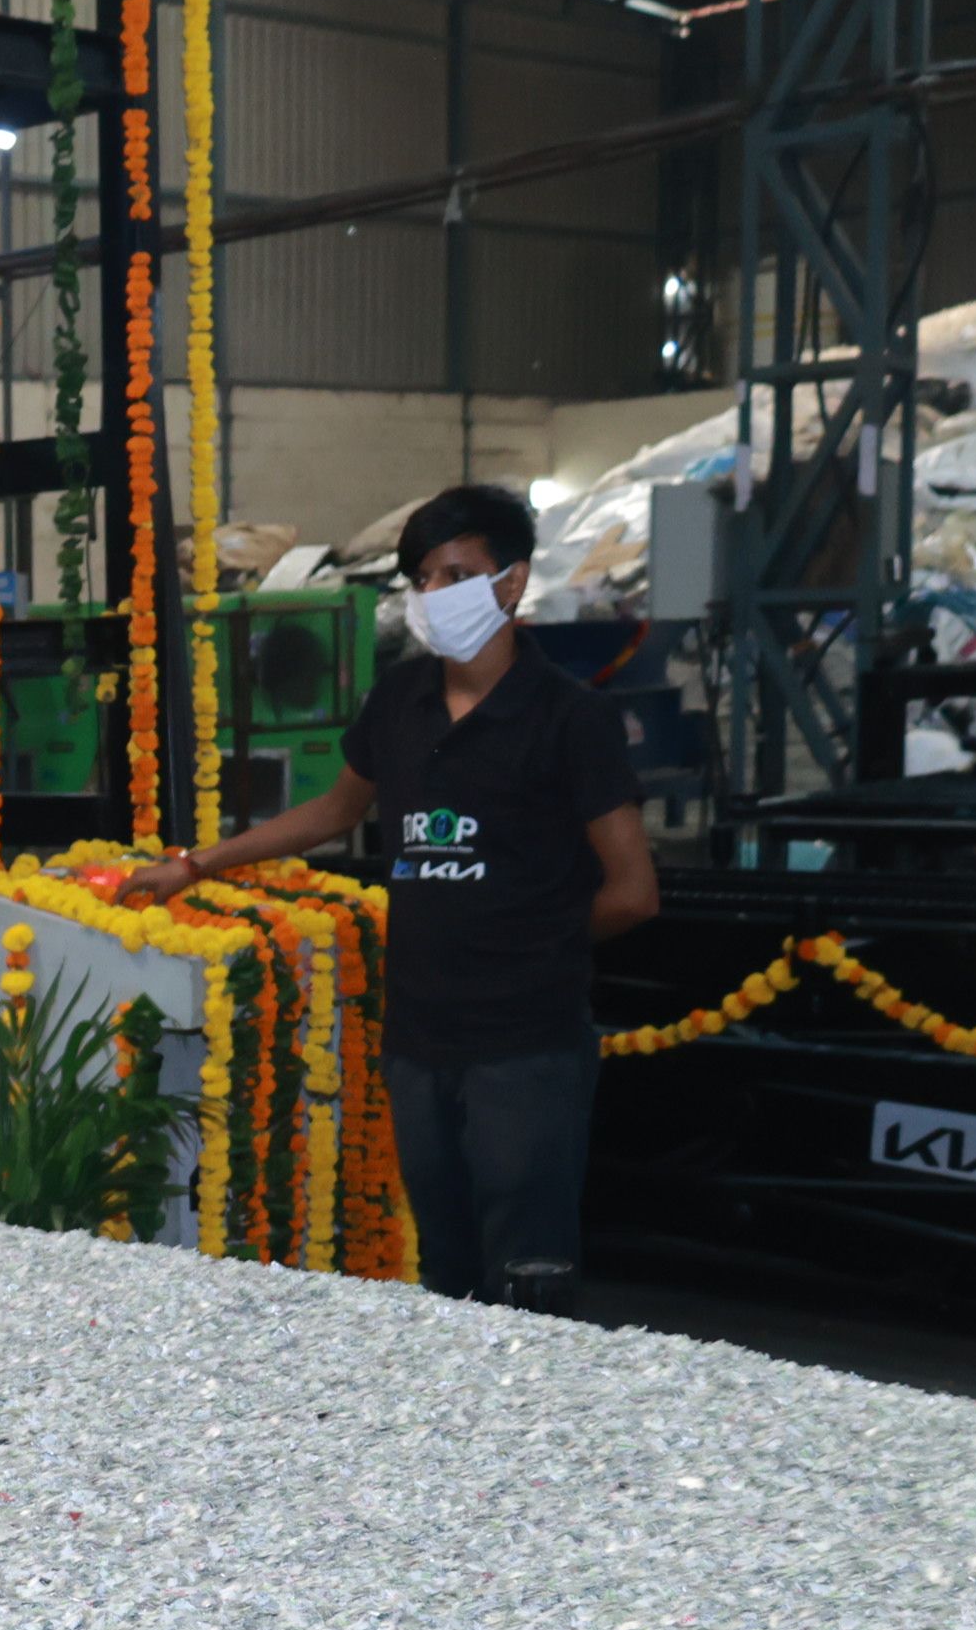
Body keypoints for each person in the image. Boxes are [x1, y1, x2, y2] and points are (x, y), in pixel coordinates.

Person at [123, 484, 658, 1310]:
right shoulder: (401, 701)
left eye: (456, 574)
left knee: (526, 1279)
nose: (434, 597)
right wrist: (196, 865)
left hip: (524, 1050)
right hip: (417, 1041)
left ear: (510, 583)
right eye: (422, 580)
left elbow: (633, 893)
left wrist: (534, 943)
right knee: (442, 1272)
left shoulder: (567, 718)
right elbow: (334, 812)